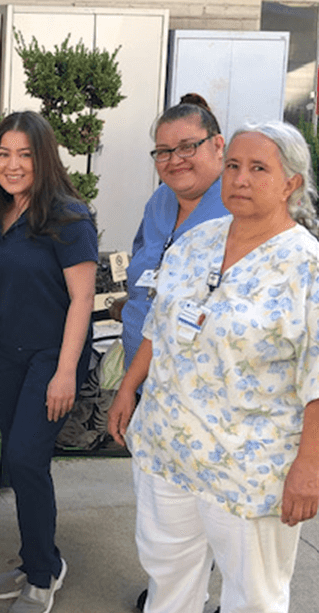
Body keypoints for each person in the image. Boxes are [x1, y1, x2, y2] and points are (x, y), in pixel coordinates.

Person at [108, 120, 319, 613]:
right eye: (233, 167)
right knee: (168, 577)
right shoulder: (196, 242)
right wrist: (127, 391)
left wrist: (309, 467)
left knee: (254, 596)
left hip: (249, 468)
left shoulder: (306, 267)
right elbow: (159, 328)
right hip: (170, 451)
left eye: (258, 168)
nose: (240, 179)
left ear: (292, 183)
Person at [0, 111, 98, 613]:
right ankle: (38, 557)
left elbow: (83, 300)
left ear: (43, 157)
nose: (12, 163)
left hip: (50, 357)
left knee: (26, 460)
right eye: (4, 153)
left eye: (24, 153)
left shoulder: (68, 217)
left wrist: (66, 371)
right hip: (5, 356)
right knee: (20, 464)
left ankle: (42, 577)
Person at [108, 94, 228, 373]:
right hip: (138, 374)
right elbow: (143, 271)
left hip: (198, 383)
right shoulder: (160, 200)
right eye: (163, 151)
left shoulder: (237, 207)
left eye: (187, 147)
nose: (175, 160)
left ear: (218, 145)